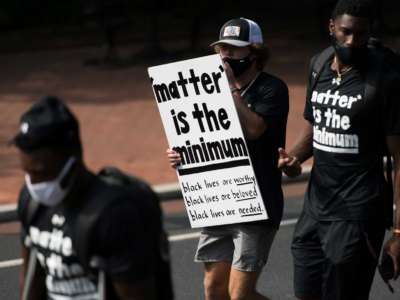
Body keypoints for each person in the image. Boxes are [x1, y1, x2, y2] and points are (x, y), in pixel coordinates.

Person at [278, 0, 400, 299]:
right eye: (345, 32)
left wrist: (398, 233)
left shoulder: (385, 79)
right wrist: (294, 157)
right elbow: (316, 125)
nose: (352, 40)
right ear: (331, 27)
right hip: (315, 209)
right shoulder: (319, 64)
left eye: (360, 33)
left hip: (358, 213)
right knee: (306, 293)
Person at [167, 17, 289, 300]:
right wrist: (181, 154)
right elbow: (199, 135)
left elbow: (255, 129)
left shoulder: (272, 89)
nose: (225, 55)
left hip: (256, 202)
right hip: (219, 199)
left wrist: (231, 88)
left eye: (233, 49)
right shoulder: (205, 90)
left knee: (239, 296)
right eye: (221, 49)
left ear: (254, 53)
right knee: (214, 288)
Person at [13, 96, 173, 300]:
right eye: (29, 174)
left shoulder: (114, 215)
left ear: (74, 156)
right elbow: (31, 284)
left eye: (43, 173)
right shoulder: (31, 204)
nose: (36, 185)